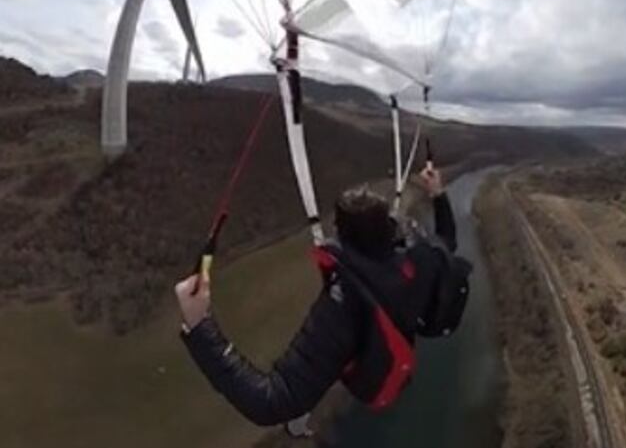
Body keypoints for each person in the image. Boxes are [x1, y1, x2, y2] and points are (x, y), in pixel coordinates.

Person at [174, 165, 471, 429]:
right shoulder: (419, 257)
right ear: (389, 229)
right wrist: (438, 194)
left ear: (340, 234)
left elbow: (272, 403)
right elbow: (447, 242)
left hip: (373, 364)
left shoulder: (343, 306)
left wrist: (201, 326)